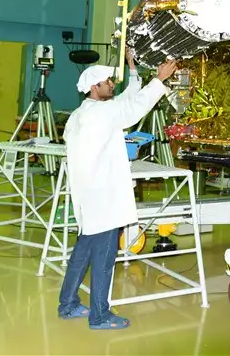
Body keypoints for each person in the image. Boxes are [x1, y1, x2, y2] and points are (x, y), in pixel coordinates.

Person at [58, 50, 178, 329]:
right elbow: (134, 109)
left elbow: (125, 100)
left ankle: (68, 304)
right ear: (93, 87)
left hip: (89, 199)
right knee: (103, 257)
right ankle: (99, 316)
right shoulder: (103, 113)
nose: (113, 84)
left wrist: (132, 66)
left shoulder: (81, 114)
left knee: (82, 253)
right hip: (103, 199)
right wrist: (159, 80)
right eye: (108, 82)